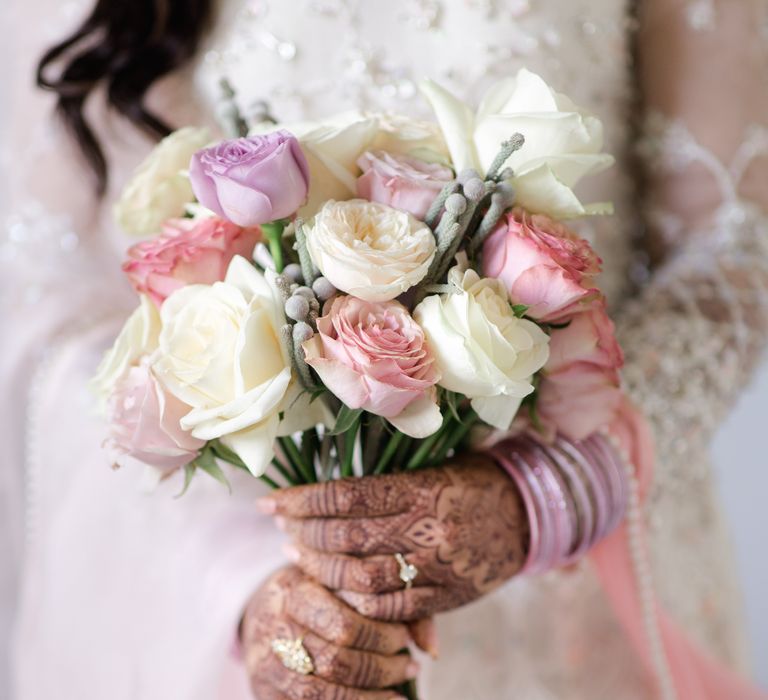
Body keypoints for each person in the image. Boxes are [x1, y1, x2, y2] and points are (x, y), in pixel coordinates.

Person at [1, 0, 767, 698]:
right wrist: (241, 583)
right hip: (250, 581)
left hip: (579, 593)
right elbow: (54, 307)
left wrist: (550, 492)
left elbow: (736, 249)